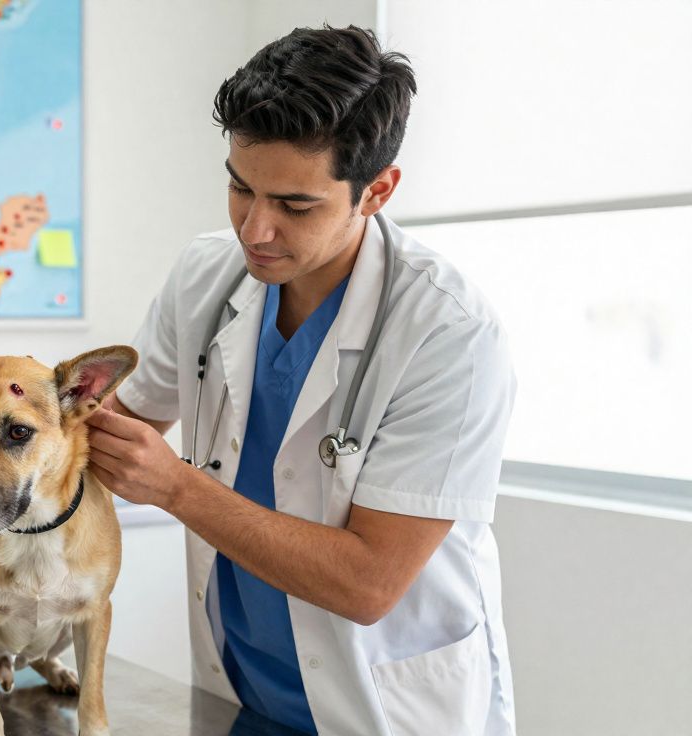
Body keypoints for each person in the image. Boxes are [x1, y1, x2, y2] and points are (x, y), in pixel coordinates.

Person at [85, 25, 516, 735]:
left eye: (295, 205)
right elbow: (108, 428)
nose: (255, 228)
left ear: (376, 191)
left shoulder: (449, 333)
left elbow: (368, 582)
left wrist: (175, 486)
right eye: (239, 187)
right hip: (241, 687)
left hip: (384, 706)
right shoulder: (206, 274)